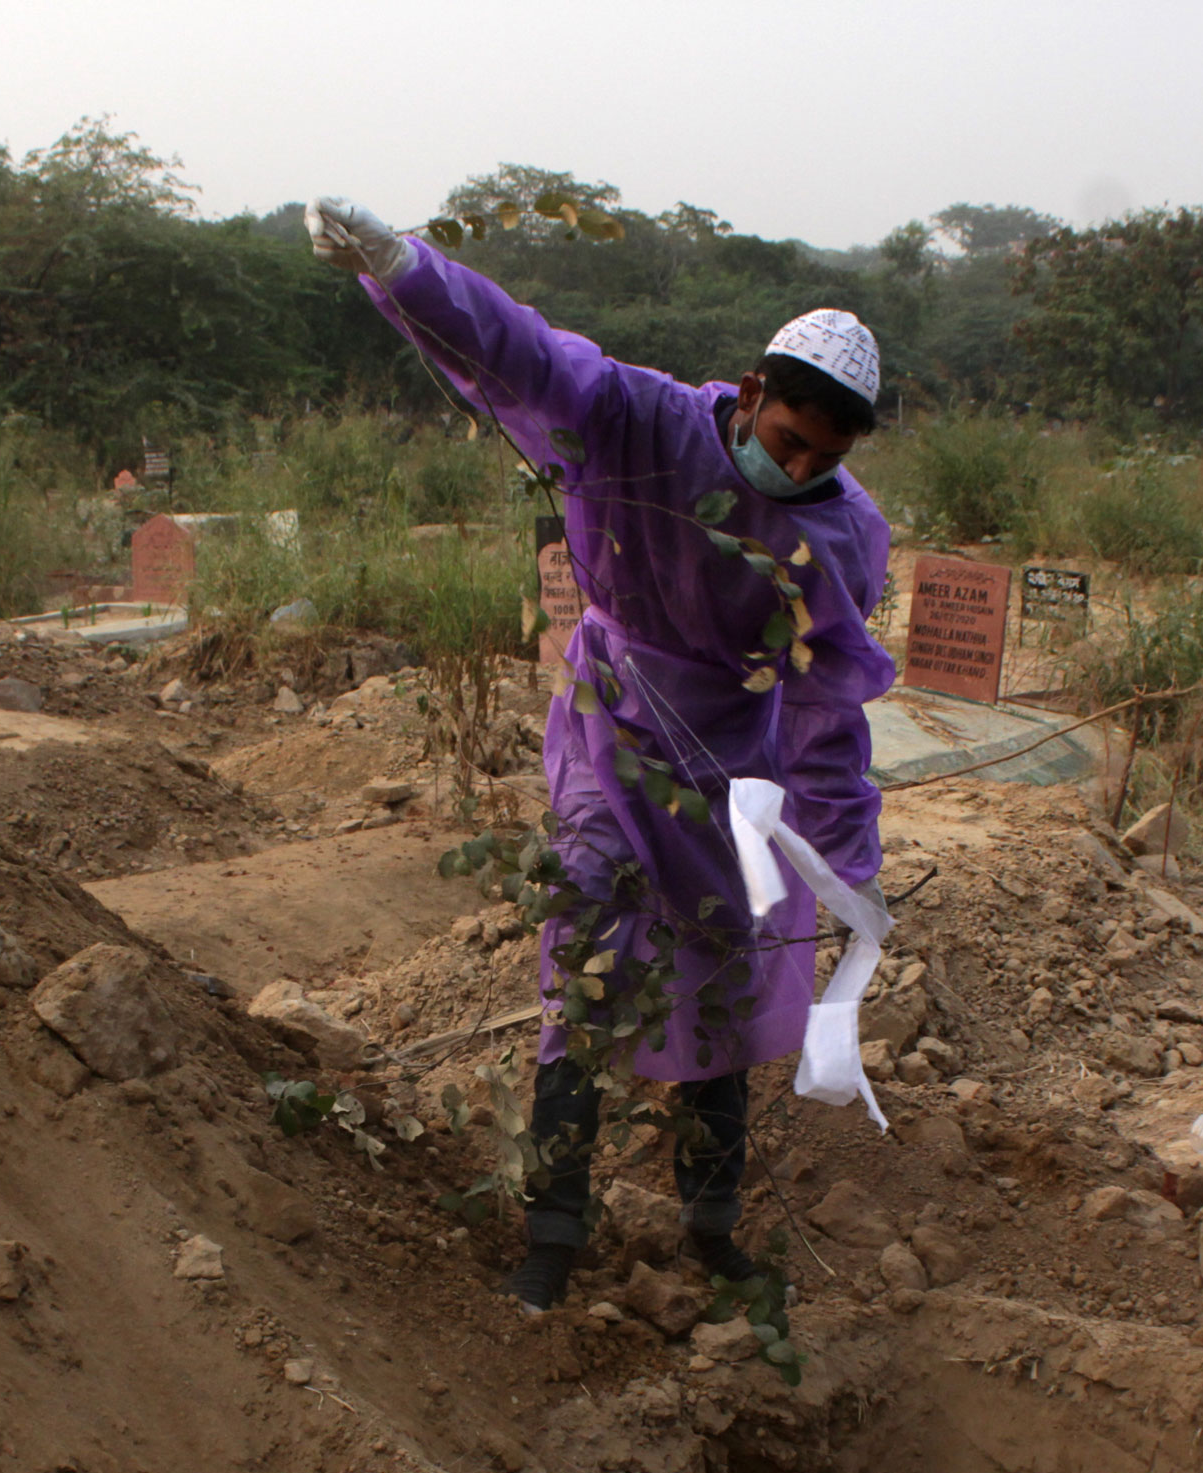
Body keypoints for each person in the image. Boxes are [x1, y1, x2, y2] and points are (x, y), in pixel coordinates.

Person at [305, 197, 897, 1314]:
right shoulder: (637, 420)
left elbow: (827, 710)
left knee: (725, 983)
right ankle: (554, 1232)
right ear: (753, 394)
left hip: (733, 768)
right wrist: (400, 270)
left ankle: (712, 1228)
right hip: (611, 729)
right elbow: (519, 352)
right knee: (587, 970)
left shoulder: (841, 535)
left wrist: (843, 864)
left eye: (826, 456)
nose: (801, 465)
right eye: (787, 441)